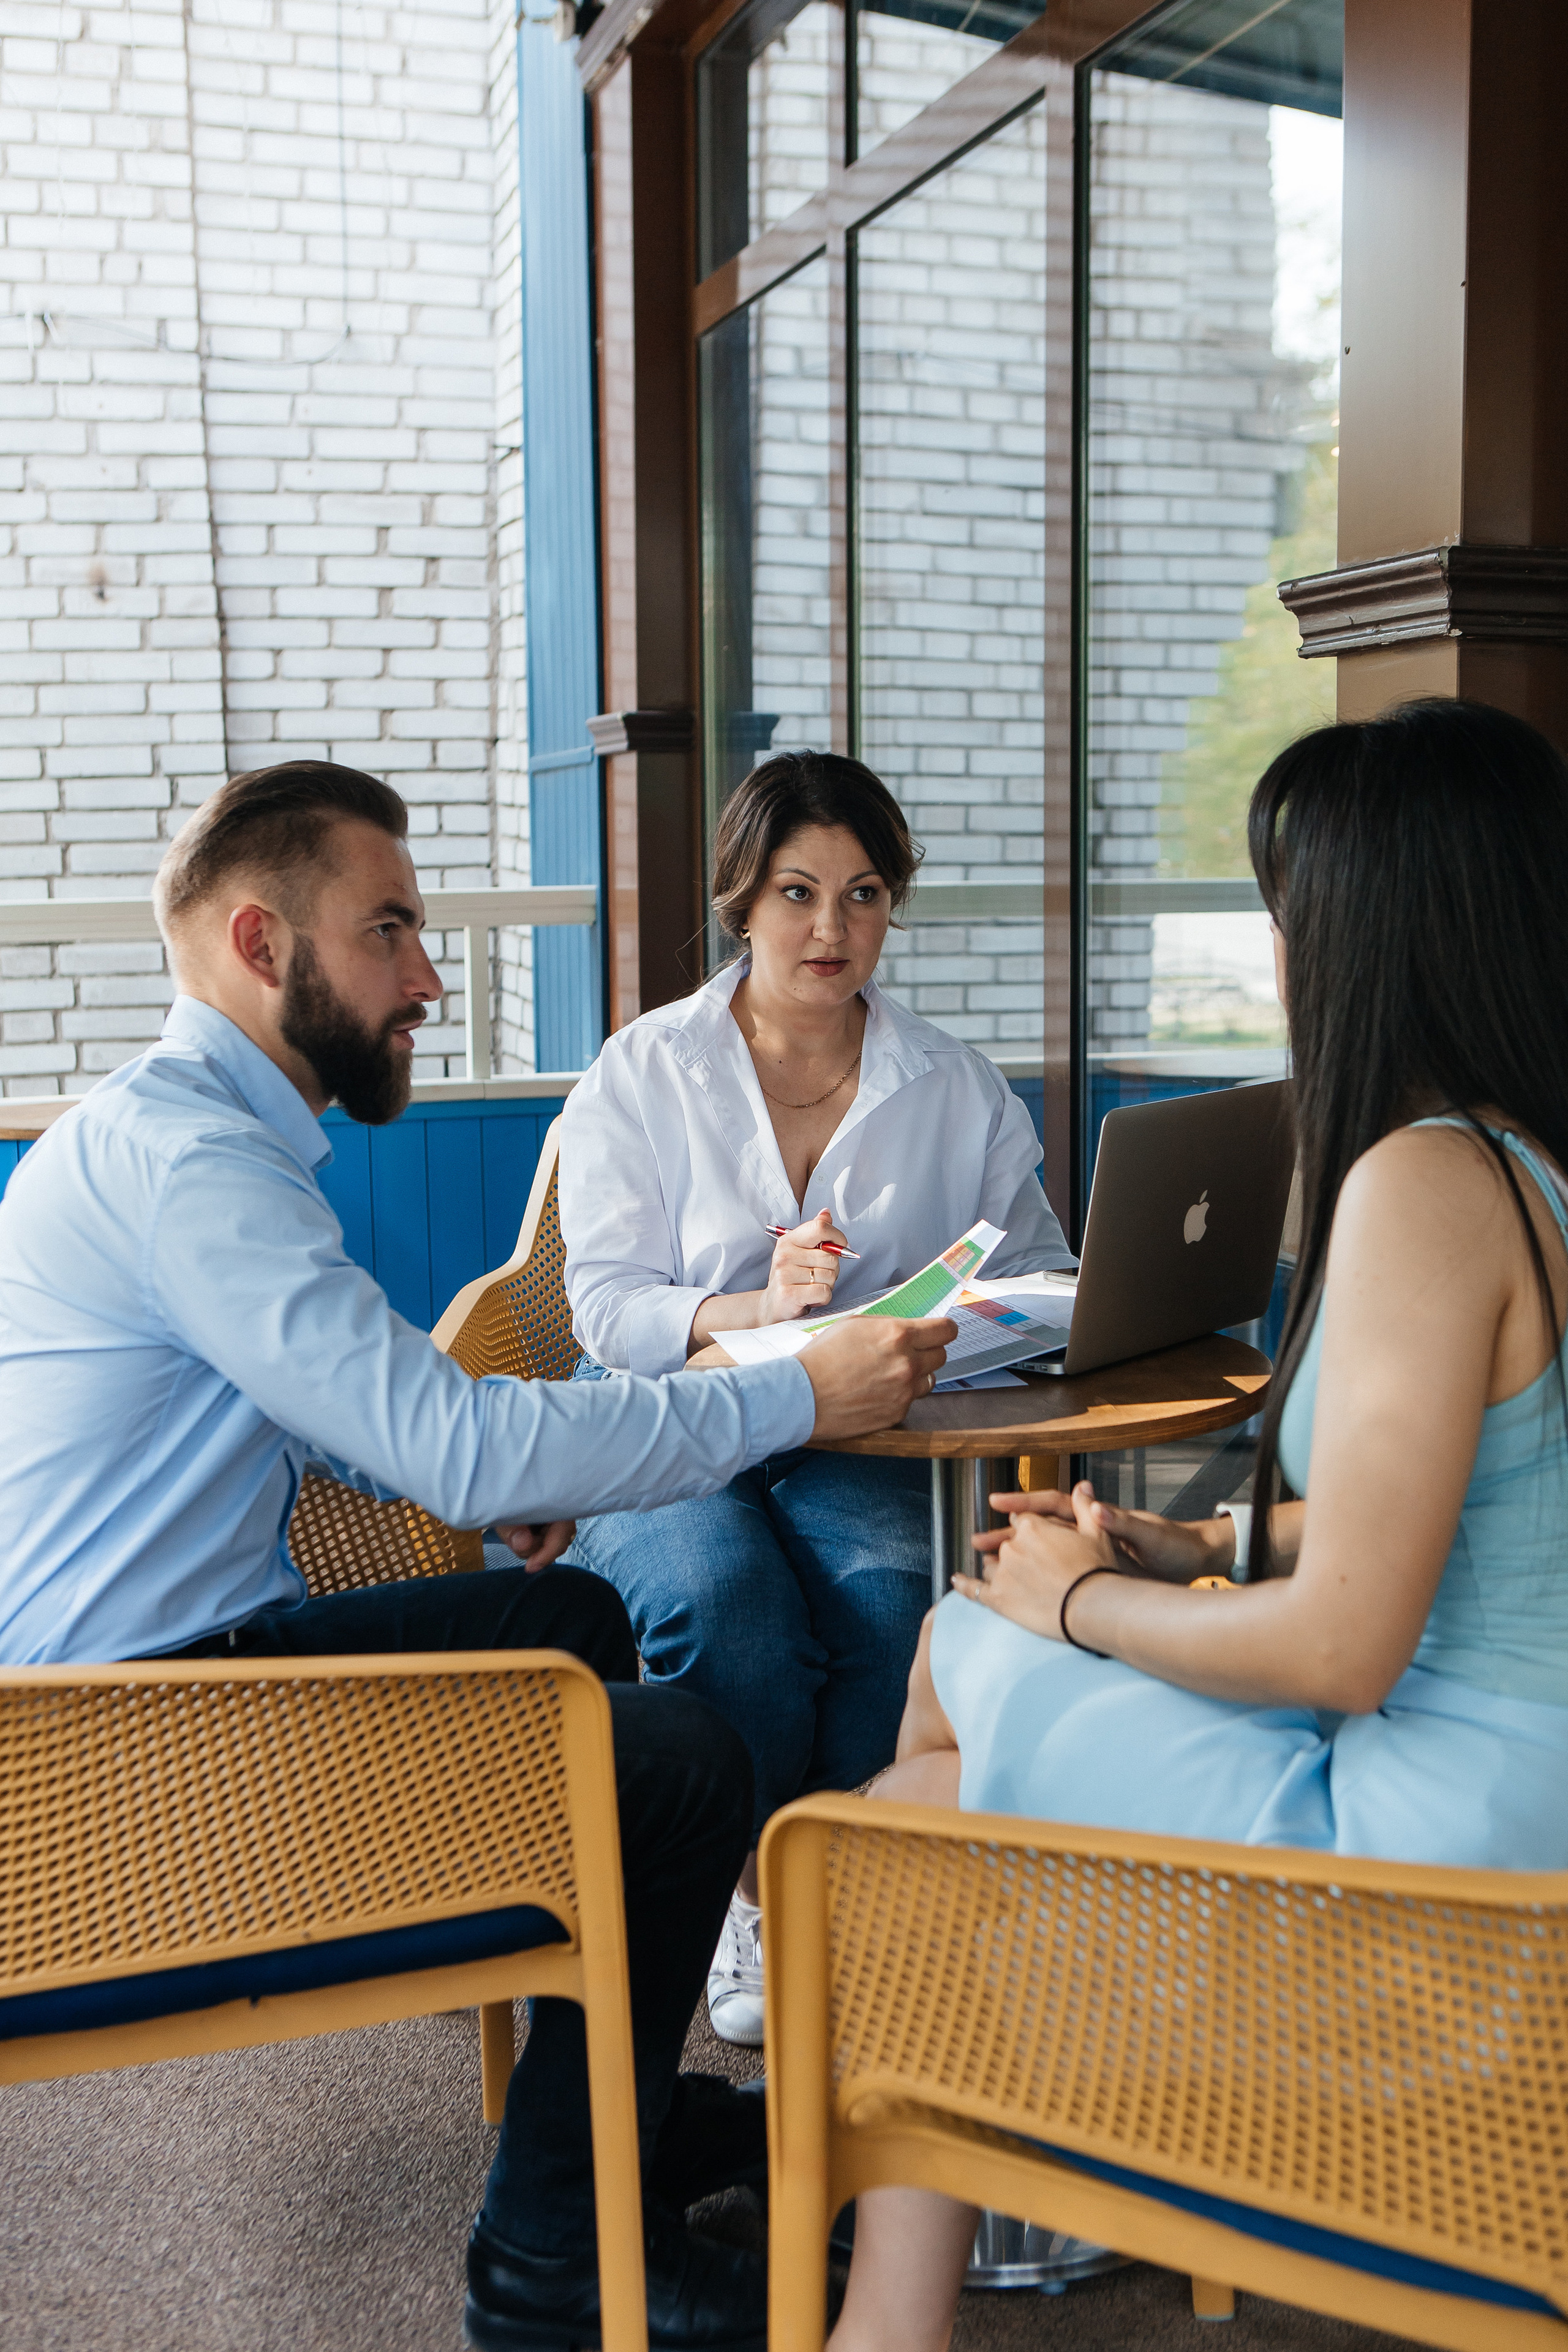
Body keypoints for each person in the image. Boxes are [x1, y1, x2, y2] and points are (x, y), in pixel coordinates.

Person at [0, 758, 954, 2352]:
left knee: (568, 1612)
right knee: (682, 1762)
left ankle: (614, 2116)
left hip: (126, 1705)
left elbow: (297, 1405)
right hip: (132, 1765)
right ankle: (551, 2268)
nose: (430, 979)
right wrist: (797, 1394)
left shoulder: (173, 1137)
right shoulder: (195, 1169)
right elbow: (450, 1444)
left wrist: (440, 1461)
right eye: (389, 931)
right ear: (261, 944)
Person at [826, 697, 1568, 2352]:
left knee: (939, 1717)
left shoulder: (1426, 1185)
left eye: (1286, 912)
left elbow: (1348, 1648)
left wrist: (1080, 1600)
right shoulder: (1533, 1173)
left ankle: (924, 2261)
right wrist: (1204, 1550)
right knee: (934, 1770)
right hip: (1526, 1814)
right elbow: (1492, 1527)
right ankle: (950, 2221)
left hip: (1452, 1883)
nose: (1278, 953)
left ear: (1378, 935)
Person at [558, 750, 1072, 2044]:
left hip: (856, 1429)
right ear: (742, 900)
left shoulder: (952, 1084)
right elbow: (604, 1309)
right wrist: (753, 1311)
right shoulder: (644, 1069)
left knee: (889, 1603)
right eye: (796, 892)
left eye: (862, 895)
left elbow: (1040, 1267)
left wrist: (969, 1323)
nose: (830, 928)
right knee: (725, 1605)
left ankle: (836, 1886)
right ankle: (745, 1892)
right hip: (669, 1420)